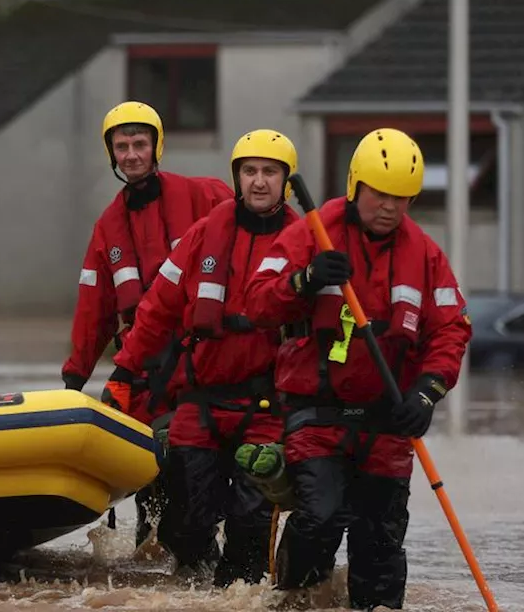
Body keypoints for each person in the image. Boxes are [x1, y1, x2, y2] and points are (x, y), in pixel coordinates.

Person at [244, 128, 472, 609]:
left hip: (388, 419)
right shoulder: (315, 230)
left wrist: (427, 392)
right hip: (317, 413)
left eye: (402, 198)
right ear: (356, 187)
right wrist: (305, 280)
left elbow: (451, 330)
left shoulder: (425, 254)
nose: (390, 207)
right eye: (380, 194)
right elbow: (258, 301)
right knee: (321, 518)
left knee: (380, 544)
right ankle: (290, 598)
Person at [105, 129, 301, 584]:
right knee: (185, 520)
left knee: (250, 522)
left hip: (266, 405)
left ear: (286, 181)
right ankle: (197, 587)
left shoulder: (304, 242)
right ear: (235, 177)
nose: (258, 181)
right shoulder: (207, 231)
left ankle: (240, 591)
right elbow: (157, 308)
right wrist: (123, 370)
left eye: (269, 172)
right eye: (249, 171)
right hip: (201, 398)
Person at [62, 101, 232, 545]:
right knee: (149, 489)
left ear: (157, 147)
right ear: (111, 154)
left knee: (194, 478)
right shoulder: (108, 227)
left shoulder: (204, 195)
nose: (132, 154)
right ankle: (158, 567)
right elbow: (92, 309)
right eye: (122, 146)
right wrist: (73, 381)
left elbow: (260, 218)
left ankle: (202, 561)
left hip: (199, 365)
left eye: (140, 144)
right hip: (141, 375)